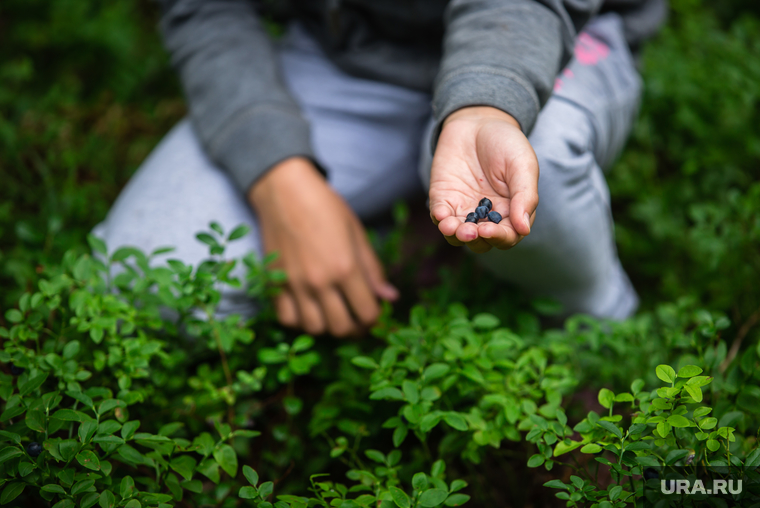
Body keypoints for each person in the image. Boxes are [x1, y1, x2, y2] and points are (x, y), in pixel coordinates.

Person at [93, 0, 666, 336]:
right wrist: (279, 177)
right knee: (139, 280)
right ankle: (409, 240)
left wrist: (489, 99)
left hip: (537, 30)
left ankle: (601, 329)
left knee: (532, 174)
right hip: (348, 53)